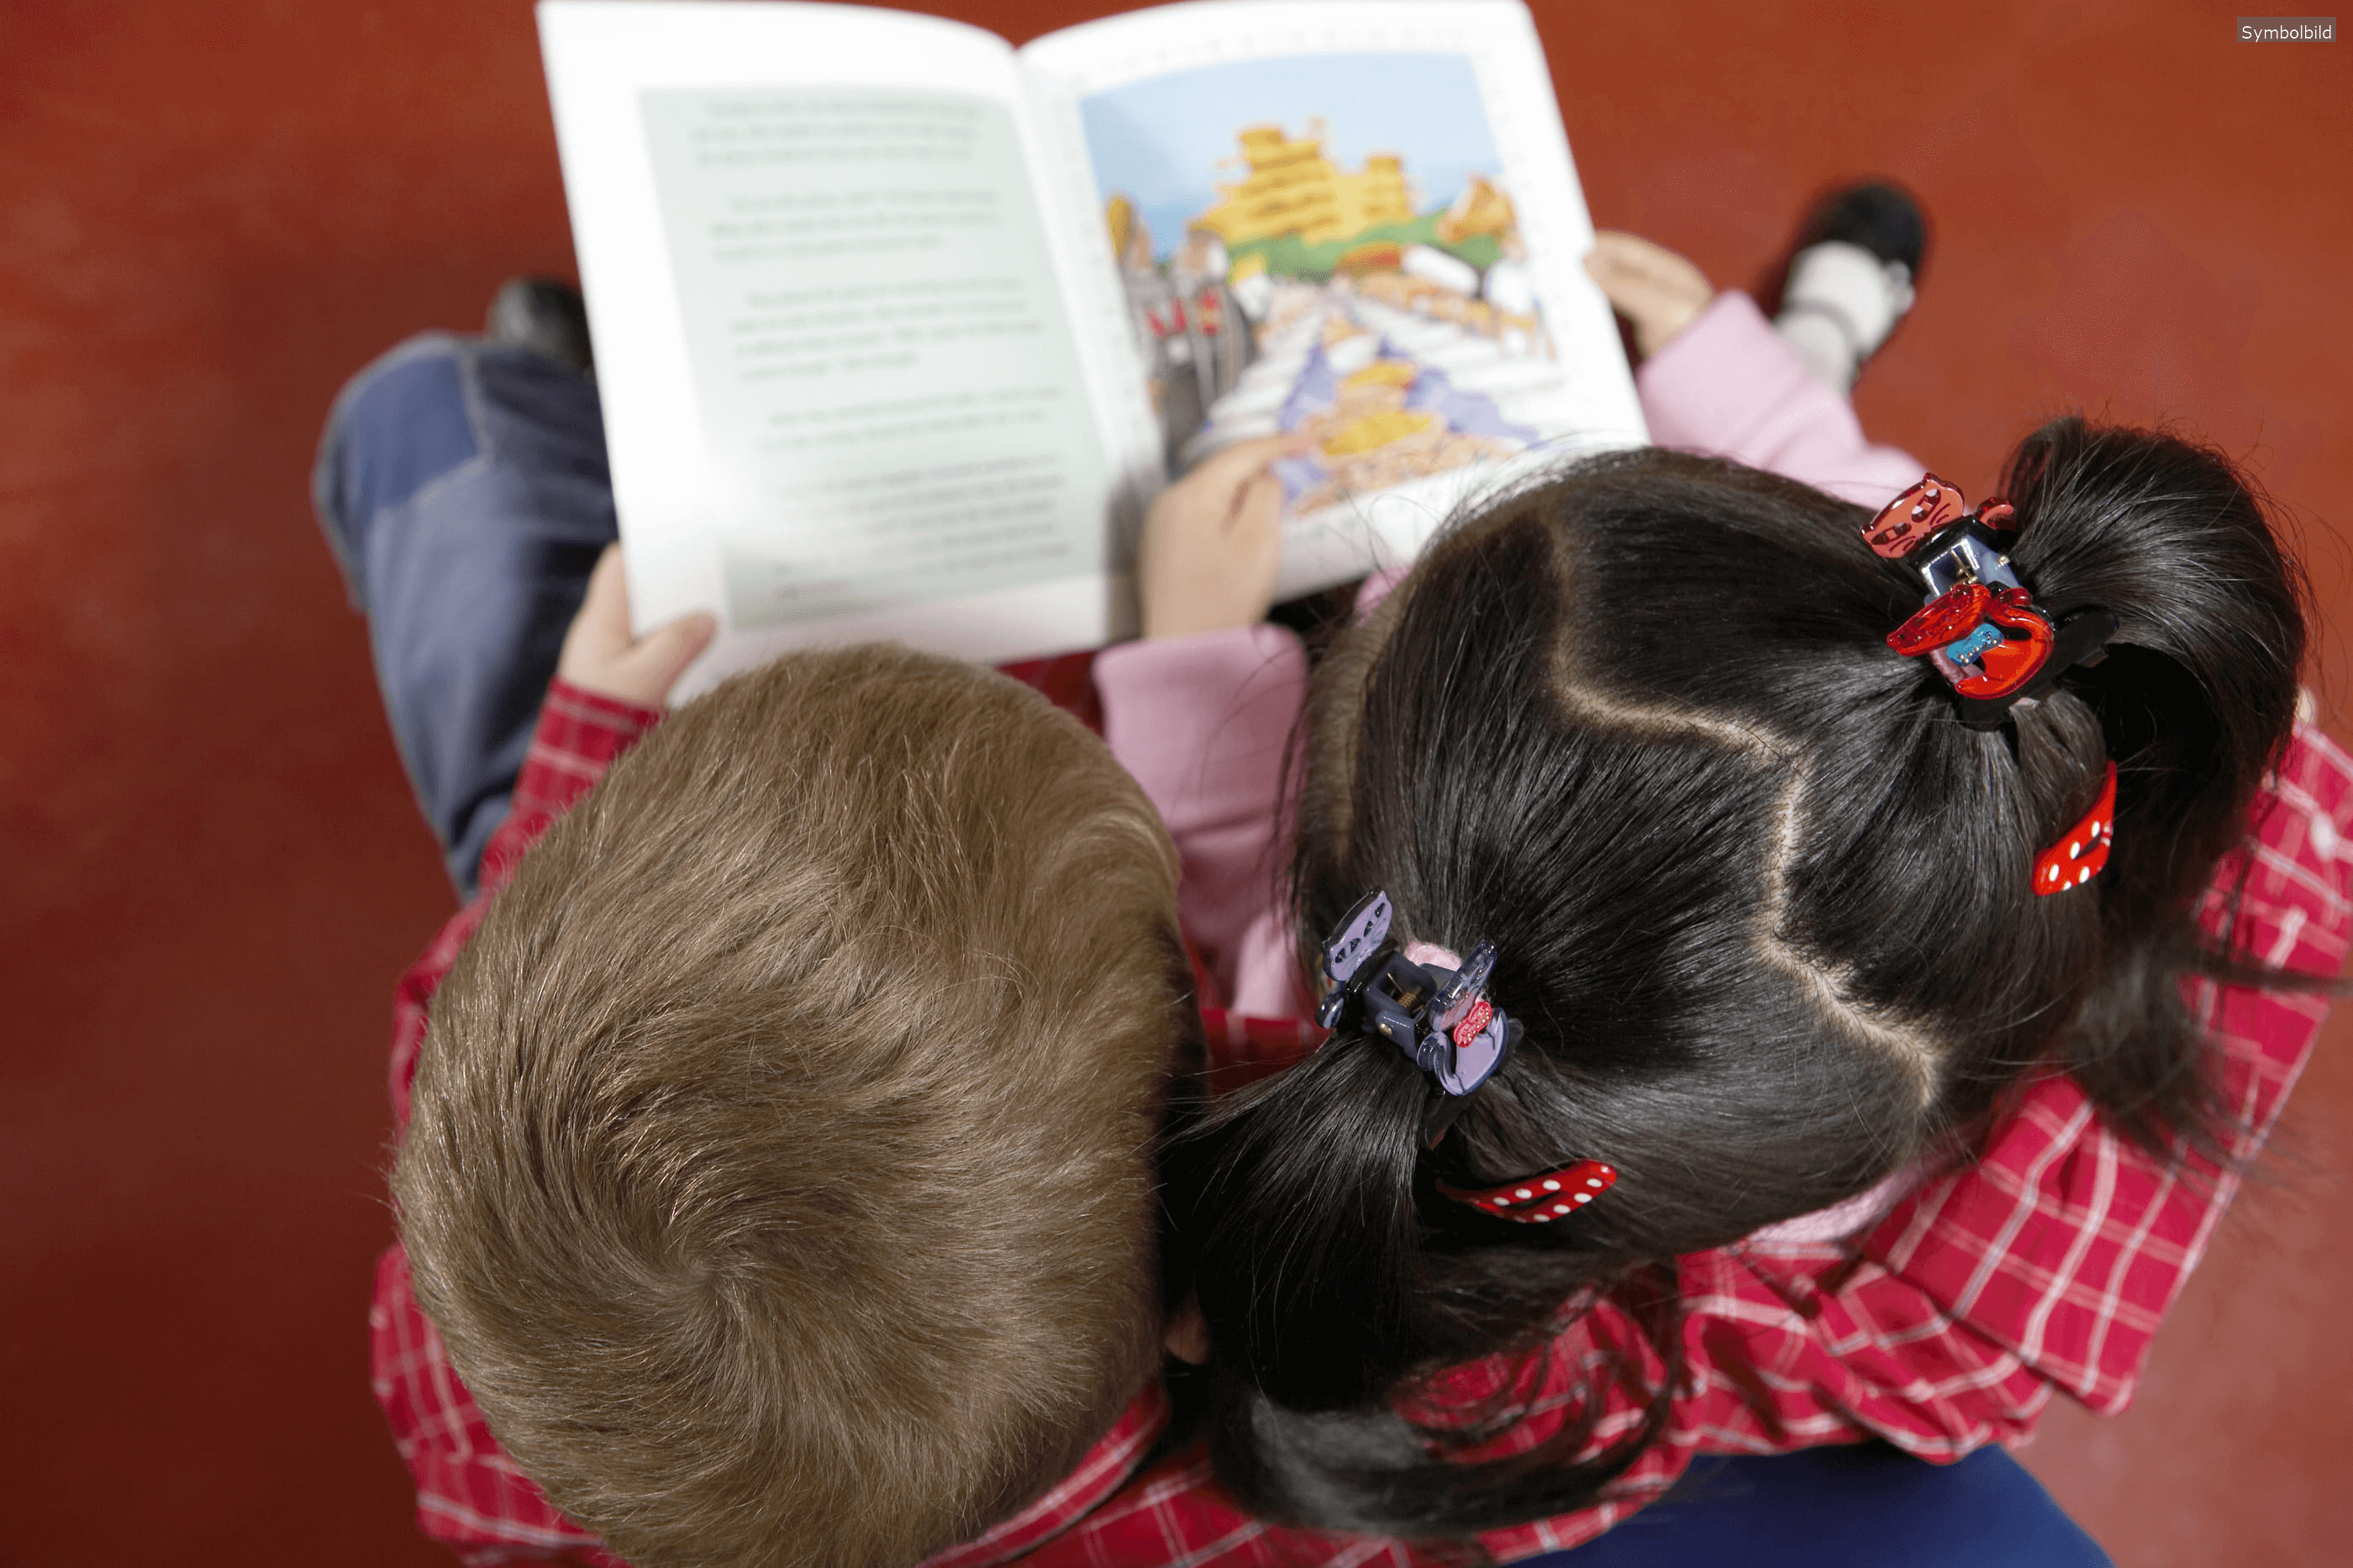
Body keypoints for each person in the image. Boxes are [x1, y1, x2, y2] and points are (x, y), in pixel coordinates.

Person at [318, 191, 2349, 1567]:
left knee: (418, 430)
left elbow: (478, 1013)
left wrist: (584, 763)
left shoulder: (497, 1435)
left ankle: (549, 400)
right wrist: (1770, 407)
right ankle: (1815, 323)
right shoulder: (1713, 1319)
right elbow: (2091, 712)